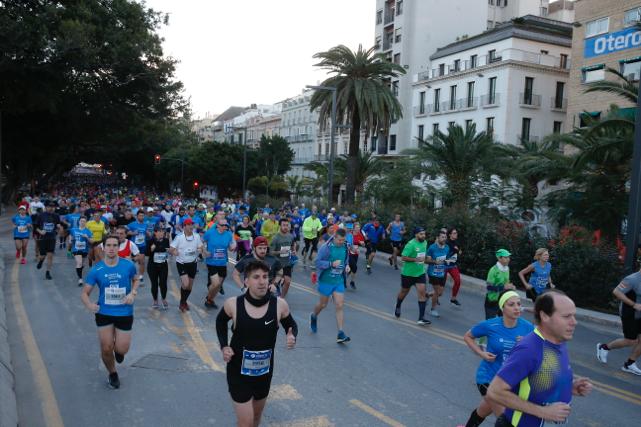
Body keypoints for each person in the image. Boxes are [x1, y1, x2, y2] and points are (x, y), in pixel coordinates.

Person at [487, 290, 593, 427]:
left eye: (573, 315)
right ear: (544, 316)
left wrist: (569, 387)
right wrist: (543, 412)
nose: (574, 322)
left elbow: (538, 379)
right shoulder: (529, 349)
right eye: (567, 316)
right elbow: (495, 391)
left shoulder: (558, 341)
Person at [216, 260, 297, 427]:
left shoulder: (279, 305)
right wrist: (224, 346)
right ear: (246, 281)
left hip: (264, 374)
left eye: (265, 277)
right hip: (238, 373)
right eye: (256, 277)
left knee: (256, 418)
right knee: (245, 422)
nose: (262, 281)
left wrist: (291, 334)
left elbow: (291, 325)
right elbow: (220, 322)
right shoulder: (234, 304)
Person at [462, 291, 534, 427]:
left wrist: (527, 344)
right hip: (488, 378)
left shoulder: (528, 327)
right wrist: (481, 353)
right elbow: (468, 336)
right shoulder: (491, 325)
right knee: (505, 420)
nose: (517, 308)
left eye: (519, 304)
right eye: (511, 304)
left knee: (483, 411)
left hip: (509, 382)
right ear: (502, 308)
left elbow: (541, 350)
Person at [81, 234, 139, 389]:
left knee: (122, 349)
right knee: (106, 347)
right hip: (104, 313)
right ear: (103, 247)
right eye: (109, 245)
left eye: (115, 245)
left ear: (118, 247)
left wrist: (132, 293)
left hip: (124, 312)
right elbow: (84, 293)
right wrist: (89, 305)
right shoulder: (96, 270)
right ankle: (113, 373)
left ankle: (119, 351)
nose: (112, 248)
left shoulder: (128, 265)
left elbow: (136, 278)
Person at [596, 268, 641, 375]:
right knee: (631, 341)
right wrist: (634, 304)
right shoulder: (632, 279)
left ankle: (629, 364)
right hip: (630, 313)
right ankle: (604, 347)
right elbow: (616, 291)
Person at [310, 228, 351, 343]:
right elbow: (317, 262)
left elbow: (346, 260)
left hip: (338, 281)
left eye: (343, 240)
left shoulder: (345, 247)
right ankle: (314, 316)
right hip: (326, 281)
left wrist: (347, 266)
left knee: (339, 305)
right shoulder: (326, 248)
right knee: (323, 305)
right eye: (339, 240)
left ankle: (340, 333)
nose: (341, 242)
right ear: (334, 237)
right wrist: (331, 264)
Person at [395, 227, 431, 325]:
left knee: (422, 293)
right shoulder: (410, 245)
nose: (423, 236)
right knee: (404, 292)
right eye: (421, 234)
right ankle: (398, 305)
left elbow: (423, 254)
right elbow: (403, 257)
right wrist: (415, 260)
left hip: (420, 273)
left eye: (424, 234)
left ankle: (421, 318)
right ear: (416, 235)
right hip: (408, 274)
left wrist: (427, 257)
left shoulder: (425, 242)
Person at [169, 218, 204, 312]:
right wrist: (174, 251)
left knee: (189, 286)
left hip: (193, 263)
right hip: (182, 263)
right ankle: (182, 302)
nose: (190, 226)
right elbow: (171, 249)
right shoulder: (179, 237)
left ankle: (183, 301)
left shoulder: (196, 236)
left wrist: (201, 249)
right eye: (188, 225)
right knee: (185, 283)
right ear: (184, 226)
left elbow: (200, 246)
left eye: (191, 225)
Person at [203, 218, 236, 308]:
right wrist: (205, 251)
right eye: (222, 225)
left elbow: (230, 247)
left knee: (218, 286)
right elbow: (201, 242)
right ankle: (209, 299)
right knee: (216, 284)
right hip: (212, 262)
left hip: (222, 263)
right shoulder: (210, 233)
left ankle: (209, 300)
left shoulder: (228, 235)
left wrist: (232, 247)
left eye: (226, 225)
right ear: (217, 225)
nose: (224, 227)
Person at [269, 218, 296, 298]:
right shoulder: (275, 238)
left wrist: (293, 250)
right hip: (277, 264)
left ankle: (282, 298)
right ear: (280, 226)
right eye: (284, 225)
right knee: (275, 283)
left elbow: (292, 245)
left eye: (287, 225)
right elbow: (270, 252)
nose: (285, 227)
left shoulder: (290, 236)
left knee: (287, 282)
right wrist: (280, 252)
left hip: (287, 263)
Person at [485, 249, 515, 320]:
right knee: (490, 324)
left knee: (504, 321)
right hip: (492, 301)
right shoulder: (493, 270)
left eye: (508, 257)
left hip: (502, 300)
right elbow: (489, 287)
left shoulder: (507, 269)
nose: (508, 259)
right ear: (499, 258)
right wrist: (504, 287)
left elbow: (506, 283)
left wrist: (511, 288)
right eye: (506, 257)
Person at [34, 201, 61, 280]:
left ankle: (48, 272)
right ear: (45, 207)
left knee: (50, 255)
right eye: (49, 207)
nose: (51, 208)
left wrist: (58, 228)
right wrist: (40, 231)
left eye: (52, 207)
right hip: (43, 238)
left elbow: (58, 225)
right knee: (43, 255)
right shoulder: (40, 215)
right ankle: (41, 261)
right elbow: (35, 227)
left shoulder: (56, 216)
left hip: (52, 238)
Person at [426, 230, 450, 318]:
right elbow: (427, 260)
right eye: (442, 237)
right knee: (437, 291)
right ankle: (433, 310)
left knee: (440, 293)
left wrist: (447, 261)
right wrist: (434, 261)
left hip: (442, 273)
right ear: (438, 238)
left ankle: (427, 295)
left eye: (445, 238)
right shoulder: (432, 248)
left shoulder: (447, 247)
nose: (444, 239)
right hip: (433, 273)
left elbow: (446, 259)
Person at [147, 225, 170, 310]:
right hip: (152, 266)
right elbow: (146, 253)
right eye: (159, 231)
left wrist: (169, 251)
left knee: (163, 283)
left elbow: (167, 250)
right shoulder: (150, 241)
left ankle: (164, 299)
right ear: (155, 232)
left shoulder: (166, 240)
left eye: (163, 231)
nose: (162, 233)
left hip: (163, 265)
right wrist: (151, 250)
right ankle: (155, 300)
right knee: (154, 284)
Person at [69, 217, 94, 286]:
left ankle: (79, 269)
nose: (82, 222)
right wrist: (71, 240)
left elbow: (92, 241)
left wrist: (87, 237)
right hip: (76, 249)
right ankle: (80, 279)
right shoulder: (73, 230)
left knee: (82, 264)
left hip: (84, 250)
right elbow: (70, 236)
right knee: (79, 263)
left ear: (86, 223)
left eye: (84, 221)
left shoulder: (88, 231)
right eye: (81, 221)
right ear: (79, 222)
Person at [127, 210, 148, 285]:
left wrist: (148, 233)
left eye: (143, 216)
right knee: (132, 262)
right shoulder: (132, 224)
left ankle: (141, 277)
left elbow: (146, 233)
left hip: (142, 245)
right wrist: (133, 233)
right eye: (140, 216)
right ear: (137, 216)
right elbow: (126, 231)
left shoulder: (145, 224)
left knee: (142, 261)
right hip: (133, 246)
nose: (141, 217)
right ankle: (131, 276)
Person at [446, 228, 463, 306]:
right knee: (440, 286)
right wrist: (455, 250)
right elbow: (447, 253)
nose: (456, 234)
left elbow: (459, 252)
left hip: (453, 265)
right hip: (444, 265)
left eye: (456, 233)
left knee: (458, 281)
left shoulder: (457, 243)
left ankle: (453, 298)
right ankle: (430, 295)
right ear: (450, 235)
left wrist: (457, 252)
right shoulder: (446, 243)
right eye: (454, 233)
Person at [346, 222, 365, 290]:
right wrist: (352, 247)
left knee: (351, 269)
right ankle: (352, 282)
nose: (358, 229)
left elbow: (363, 244)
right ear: (353, 228)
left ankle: (345, 280)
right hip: (349, 253)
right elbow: (348, 244)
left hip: (356, 254)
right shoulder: (350, 235)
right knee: (354, 267)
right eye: (357, 227)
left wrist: (362, 243)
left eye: (359, 227)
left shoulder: (360, 235)